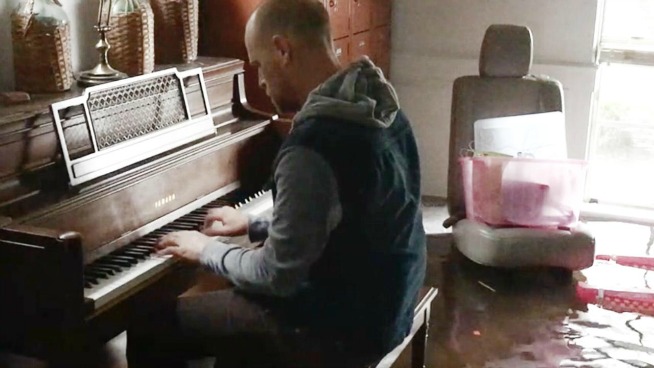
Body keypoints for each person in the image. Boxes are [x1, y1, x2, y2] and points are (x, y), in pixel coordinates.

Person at [126, 0, 426, 366]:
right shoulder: (380, 107)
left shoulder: (313, 146)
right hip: (389, 303)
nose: (261, 81)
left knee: (149, 328)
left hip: (338, 331)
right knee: (233, 287)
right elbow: (350, 217)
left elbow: (275, 275)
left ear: (283, 50)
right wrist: (255, 224)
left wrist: (205, 249)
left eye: (258, 65)